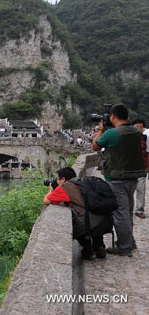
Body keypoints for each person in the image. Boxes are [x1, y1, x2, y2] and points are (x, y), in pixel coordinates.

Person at [92, 104, 146, 256]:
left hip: (116, 178)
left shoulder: (112, 134)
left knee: (120, 212)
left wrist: (101, 129)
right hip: (133, 178)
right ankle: (130, 241)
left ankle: (124, 247)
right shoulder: (135, 131)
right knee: (128, 210)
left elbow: (95, 146)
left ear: (113, 116)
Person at [44, 167, 110, 259]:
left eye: (58, 178)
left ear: (63, 179)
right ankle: (100, 246)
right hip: (105, 219)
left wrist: (51, 190)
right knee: (92, 216)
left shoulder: (64, 187)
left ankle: (88, 249)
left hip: (88, 224)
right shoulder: (83, 182)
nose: (57, 181)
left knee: (77, 222)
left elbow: (46, 201)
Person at [130, 118, 149, 219]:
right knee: (129, 189)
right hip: (129, 168)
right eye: (136, 127)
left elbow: (148, 152)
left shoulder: (145, 138)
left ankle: (139, 210)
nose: (138, 129)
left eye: (140, 127)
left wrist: (147, 166)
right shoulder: (127, 138)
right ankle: (128, 208)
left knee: (141, 188)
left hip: (142, 166)